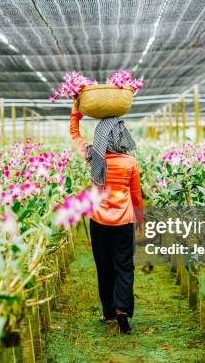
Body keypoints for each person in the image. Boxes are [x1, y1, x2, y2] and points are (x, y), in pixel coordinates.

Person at [69, 101, 143, 334]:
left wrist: (76, 111)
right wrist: (139, 219)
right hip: (124, 221)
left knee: (104, 266)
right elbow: (136, 195)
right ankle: (122, 312)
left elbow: (74, 134)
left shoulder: (94, 157)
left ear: (101, 137)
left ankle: (109, 311)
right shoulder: (130, 162)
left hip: (99, 221)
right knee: (124, 266)